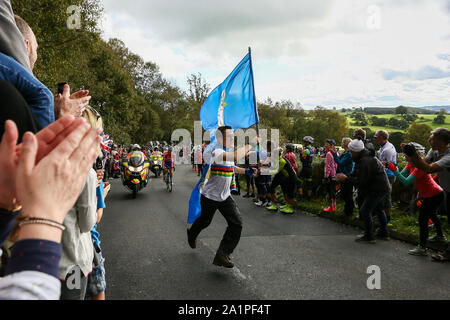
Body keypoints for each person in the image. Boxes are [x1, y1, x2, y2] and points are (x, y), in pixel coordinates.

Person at [0, 113, 100, 299]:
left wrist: (5, 206)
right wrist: (43, 217)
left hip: (32, 257)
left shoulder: (38, 163)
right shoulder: (88, 173)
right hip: (72, 263)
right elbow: (87, 224)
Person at [187, 126, 257, 268]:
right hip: (210, 196)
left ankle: (222, 254)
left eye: (233, 136)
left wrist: (247, 171)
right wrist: (252, 144)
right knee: (205, 221)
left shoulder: (228, 153)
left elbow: (232, 167)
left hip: (225, 197)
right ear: (220, 138)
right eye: (229, 136)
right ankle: (192, 233)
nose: (232, 138)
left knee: (237, 223)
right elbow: (236, 157)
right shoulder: (217, 151)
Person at [388, 142, 447, 256]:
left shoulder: (420, 167)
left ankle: (422, 247)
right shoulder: (410, 164)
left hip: (434, 194)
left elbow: (406, 182)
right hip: (432, 194)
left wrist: (394, 170)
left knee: (422, 220)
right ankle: (440, 236)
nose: (404, 156)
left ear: (415, 155)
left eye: (406, 154)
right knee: (432, 214)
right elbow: (401, 175)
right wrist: (394, 169)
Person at [406, 128, 450, 262]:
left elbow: (428, 169)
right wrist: (411, 154)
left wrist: (413, 154)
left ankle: (447, 252)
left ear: (441, 141)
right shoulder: (435, 150)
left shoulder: (448, 156)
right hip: (446, 190)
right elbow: (423, 164)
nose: (429, 140)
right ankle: (440, 239)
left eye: (432, 138)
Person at [335, 139, 391, 243]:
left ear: (356, 151)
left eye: (351, 152)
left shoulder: (365, 161)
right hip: (381, 187)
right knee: (379, 209)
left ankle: (369, 236)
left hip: (377, 189)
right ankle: (384, 233)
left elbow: (361, 181)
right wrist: (345, 176)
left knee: (365, 211)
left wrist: (346, 179)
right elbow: (356, 173)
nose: (350, 154)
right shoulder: (363, 158)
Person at [373, 130, 397, 226]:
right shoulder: (385, 146)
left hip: (389, 175)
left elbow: (387, 165)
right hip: (386, 174)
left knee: (386, 197)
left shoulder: (387, 150)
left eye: (376, 136)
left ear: (382, 138)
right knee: (382, 196)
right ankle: (380, 216)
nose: (374, 138)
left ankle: (387, 219)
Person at [266, 147, 298, 215]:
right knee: (273, 188)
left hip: (291, 178)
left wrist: (266, 170)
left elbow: (276, 171)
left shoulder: (282, 161)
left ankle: (290, 208)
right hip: (284, 177)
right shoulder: (278, 158)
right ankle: (276, 205)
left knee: (289, 193)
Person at [331, 138, 355, 216]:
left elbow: (340, 163)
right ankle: (347, 210)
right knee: (345, 193)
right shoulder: (345, 152)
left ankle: (348, 211)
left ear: (346, 144)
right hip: (343, 175)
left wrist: (334, 154)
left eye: (342, 142)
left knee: (347, 194)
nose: (341, 143)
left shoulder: (349, 154)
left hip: (347, 176)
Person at [323, 139, 338, 213]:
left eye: (327, 144)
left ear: (331, 145)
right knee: (333, 191)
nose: (325, 145)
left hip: (329, 175)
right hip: (334, 174)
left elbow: (327, 166)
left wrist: (326, 176)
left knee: (329, 192)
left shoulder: (329, 153)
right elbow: (335, 164)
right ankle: (334, 206)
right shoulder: (335, 153)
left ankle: (331, 207)